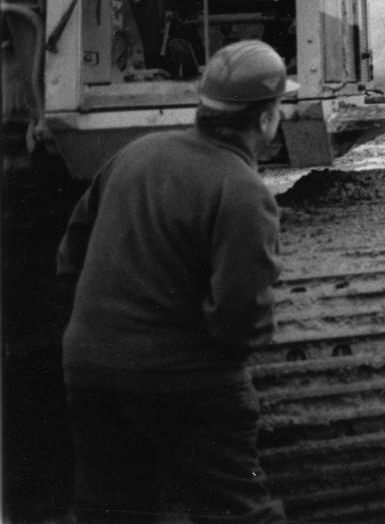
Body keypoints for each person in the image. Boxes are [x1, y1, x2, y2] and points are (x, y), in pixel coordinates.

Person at [56, 40, 295, 523]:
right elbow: (238, 316)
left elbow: (70, 257)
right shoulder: (242, 190)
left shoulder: (135, 153)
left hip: (89, 370)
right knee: (237, 510)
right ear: (267, 118)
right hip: (183, 383)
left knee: (112, 510)